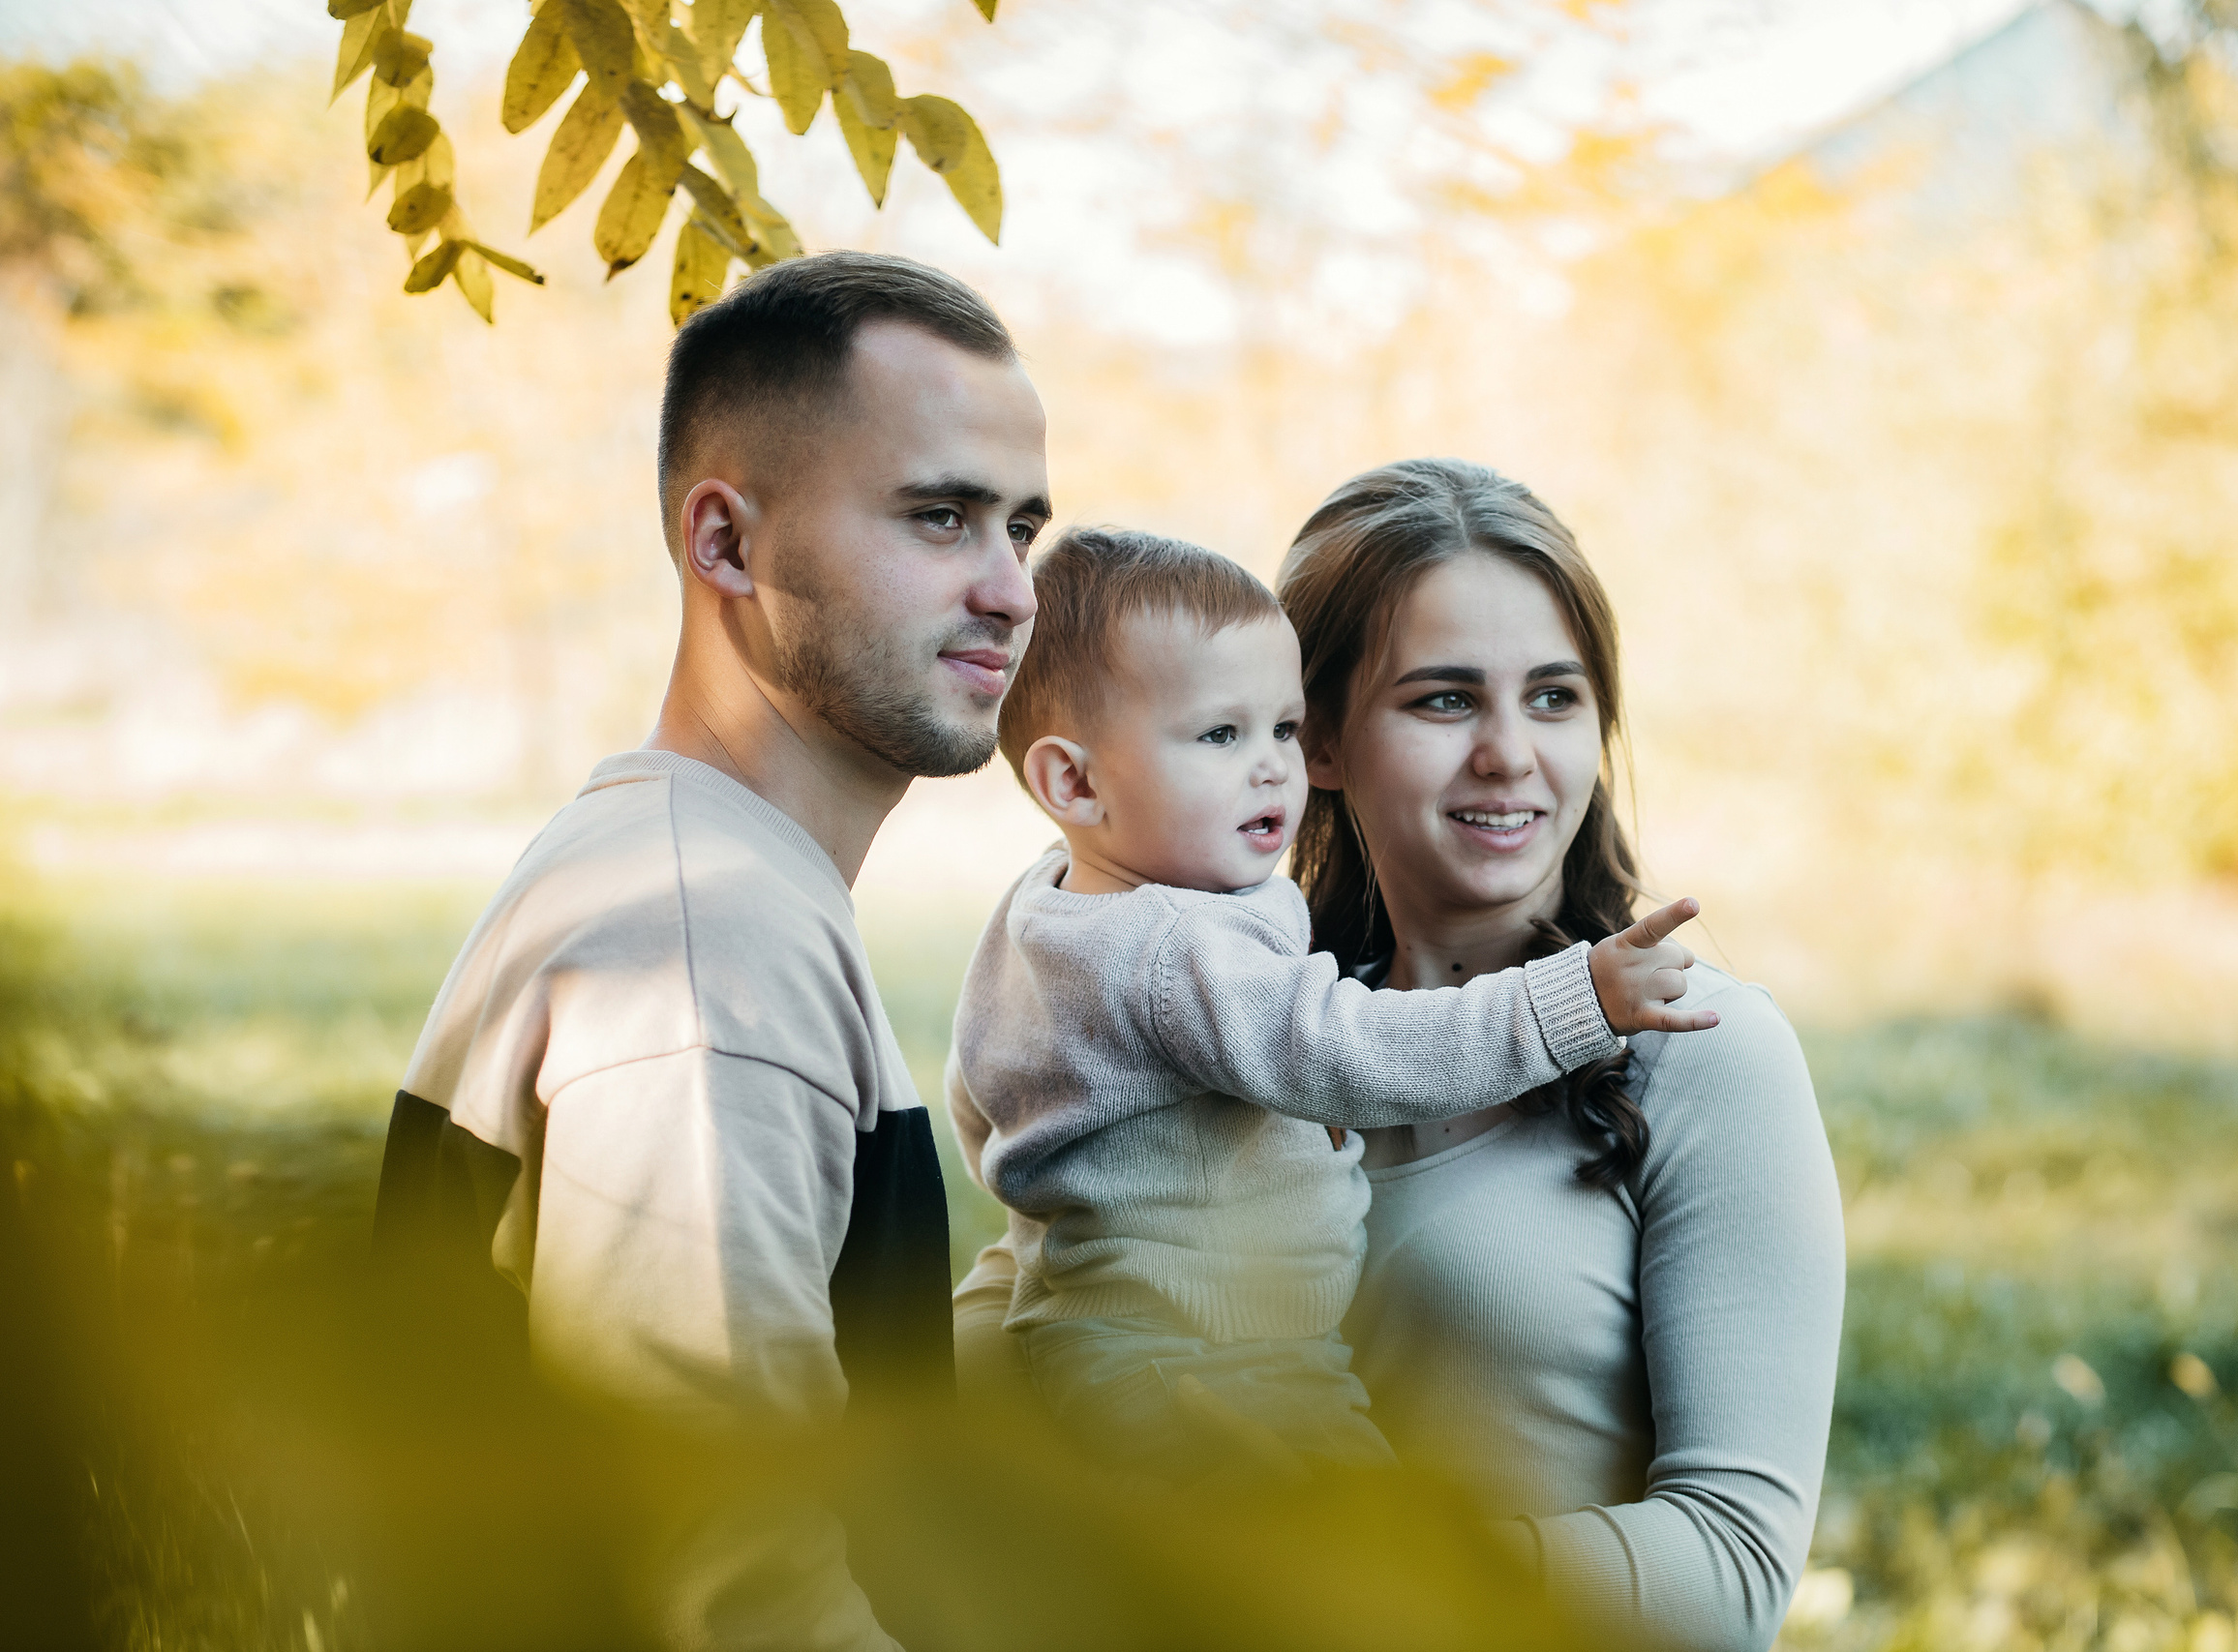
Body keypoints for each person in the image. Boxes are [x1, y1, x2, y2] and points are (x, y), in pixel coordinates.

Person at [955, 458, 1844, 1652]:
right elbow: (1040, 1278)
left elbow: (1733, 1575)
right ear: (1315, 738)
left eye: (1553, 697)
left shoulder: (1700, 1050)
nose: (1508, 755)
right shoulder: (1241, 1026)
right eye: (1441, 699)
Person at [374, 251, 1051, 1652]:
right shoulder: (706, 944)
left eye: (1021, 530)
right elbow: (738, 1585)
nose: (1009, 590)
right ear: (726, 544)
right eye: (940, 517)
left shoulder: (705, 873)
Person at [942, 526, 1713, 1483]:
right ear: (1074, 781)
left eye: (1281, 728)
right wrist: (1577, 998)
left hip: (1115, 1347)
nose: (1272, 766)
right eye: (1220, 735)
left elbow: (983, 1104)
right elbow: (1349, 1053)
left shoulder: (1047, 907)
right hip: (1214, 1362)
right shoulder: (1176, 949)